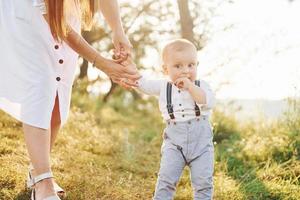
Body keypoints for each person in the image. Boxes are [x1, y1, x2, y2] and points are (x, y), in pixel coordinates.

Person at [0, 0, 139, 199]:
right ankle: (43, 181)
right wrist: (101, 63)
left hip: (64, 11)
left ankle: (36, 170)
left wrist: (118, 30)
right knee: (41, 85)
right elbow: (55, 21)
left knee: (58, 94)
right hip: (30, 13)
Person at [118, 39, 215, 200]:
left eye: (191, 65)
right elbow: (144, 84)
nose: (185, 71)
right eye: (178, 66)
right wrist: (129, 66)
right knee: (166, 180)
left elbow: (208, 101)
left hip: (201, 145)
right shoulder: (164, 86)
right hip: (174, 143)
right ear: (165, 69)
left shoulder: (200, 85)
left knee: (203, 182)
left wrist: (190, 87)